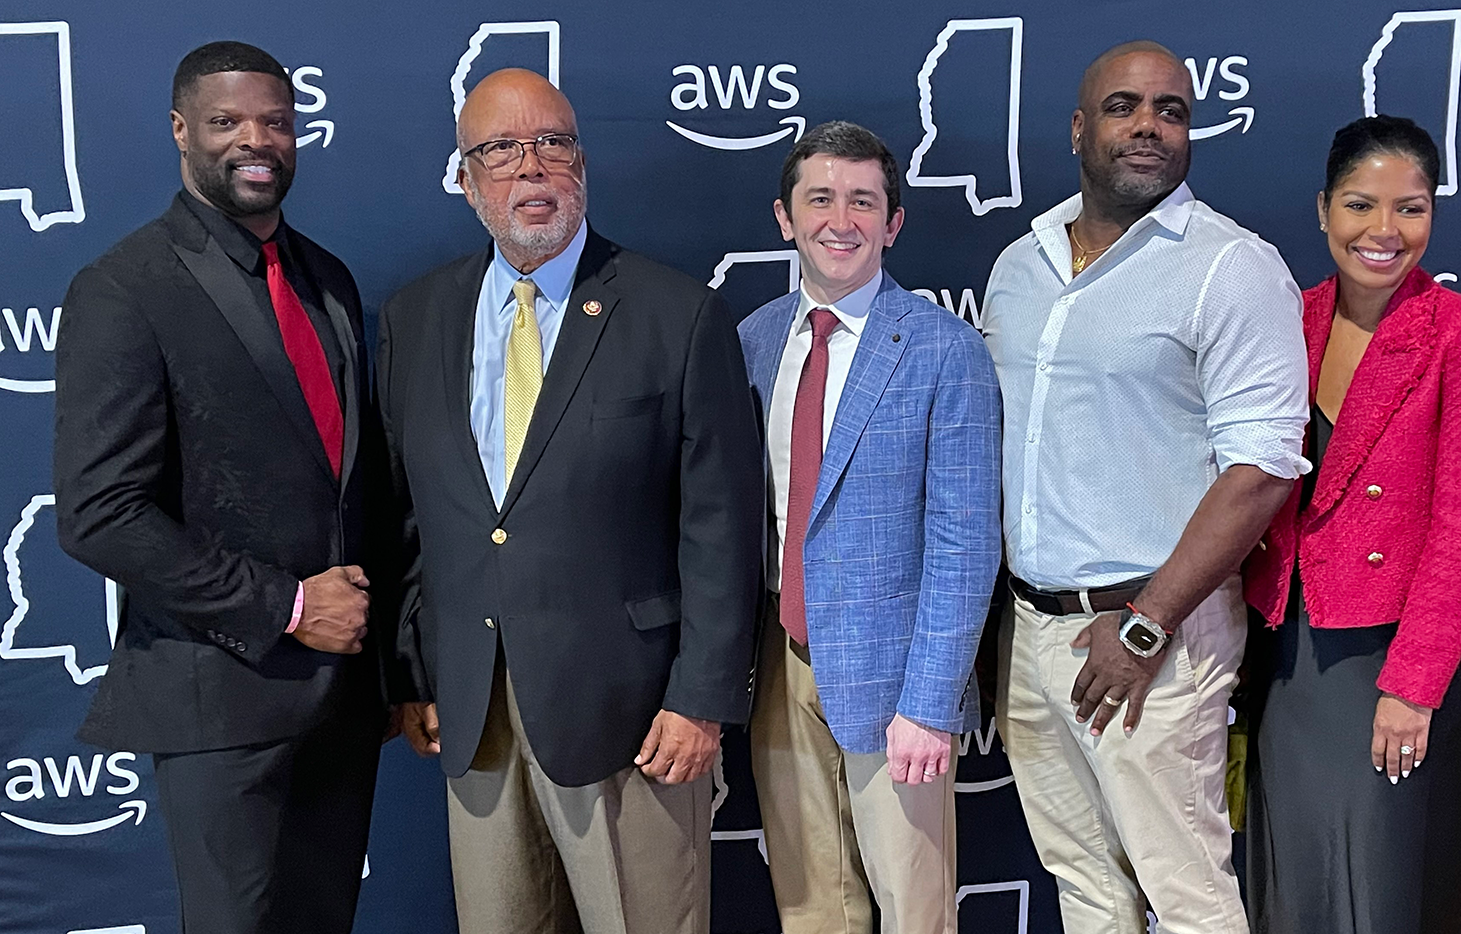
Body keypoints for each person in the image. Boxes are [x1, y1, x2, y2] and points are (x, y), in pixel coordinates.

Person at [378, 68, 763, 934]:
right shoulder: (418, 317)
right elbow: (408, 514)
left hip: (632, 719)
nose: (533, 168)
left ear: (582, 164)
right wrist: (412, 671)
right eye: (502, 150)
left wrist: (701, 696)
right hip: (473, 716)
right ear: (467, 178)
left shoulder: (678, 314)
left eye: (553, 143)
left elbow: (721, 527)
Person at [52, 41, 386, 934]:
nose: (256, 140)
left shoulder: (330, 280)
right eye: (227, 122)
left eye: (275, 122)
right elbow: (100, 516)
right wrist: (284, 607)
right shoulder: (123, 289)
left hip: (344, 699)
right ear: (180, 131)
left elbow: (353, 485)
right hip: (219, 695)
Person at [980, 40, 1308, 934]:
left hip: (1153, 635)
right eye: (1125, 107)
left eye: (1172, 111)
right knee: (1083, 883)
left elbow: (1262, 469)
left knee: (1187, 892)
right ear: (1080, 129)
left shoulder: (1230, 267)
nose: (1150, 128)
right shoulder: (1021, 262)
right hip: (1031, 631)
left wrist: (1147, 623)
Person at [1241, 115, 1461, 934]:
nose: (1385, 232)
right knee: (1297, 878)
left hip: (1397, 659)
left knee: (1387, 882)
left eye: (1411, 209)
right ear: (1324, 208)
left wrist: (1412, 687)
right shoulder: (1286, 319)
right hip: (1291, 654)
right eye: (1362, 205)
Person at [738, 121, 1002, 933]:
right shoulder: (751, 340)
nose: (839, 220)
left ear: (892, 223)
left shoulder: (944, 350)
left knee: (914, 908)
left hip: (896, 685)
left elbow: (966, 541)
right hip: (775, 671)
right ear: (785, 217)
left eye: (863, 201)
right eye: (819, 198)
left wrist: (929, 703)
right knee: (813, 906)